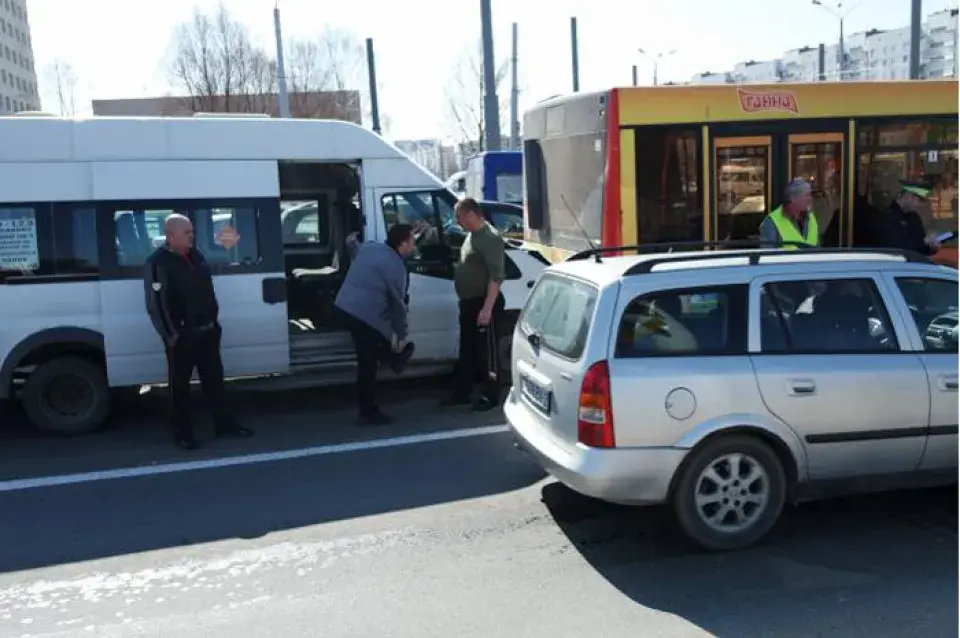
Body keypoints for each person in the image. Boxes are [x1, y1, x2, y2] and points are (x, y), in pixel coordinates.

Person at [144, 214, 253, 450]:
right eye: (187, 233)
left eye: (192, 231)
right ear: (171, 236)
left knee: (215, 382)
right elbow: (156, 306)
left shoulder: (196, 255)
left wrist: (215, 324)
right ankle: (182, 433)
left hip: (208, 332)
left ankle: (225, 425)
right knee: (180, 388)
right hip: (182, 337)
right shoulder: (158, 263)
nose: (192, 236)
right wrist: (172, 336)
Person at [335, 224, 417, 425]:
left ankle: (393, 358)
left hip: (343, 307)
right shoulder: (397, 268)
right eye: (412, 242)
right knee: (367, 364)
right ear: (403, 243)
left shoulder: (372, 247)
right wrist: (402, 333)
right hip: (364, 315)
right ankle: (368, 411)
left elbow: (356, 249)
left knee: (372, 347)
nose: (414, 246)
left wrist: (350, 241)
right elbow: (398, 305)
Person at [441, 197, 506, 413]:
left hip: (483, 302)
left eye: (459, 217)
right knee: (467, 350)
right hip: (468, 303)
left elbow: (496, 277)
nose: (457, 222)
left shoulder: (489, 238)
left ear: (470, 215)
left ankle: (492, 394)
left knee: (487, 353)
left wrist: (487, 309)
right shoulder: (472, 235)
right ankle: (463, 392)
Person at [876, 179, 942, 256]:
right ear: (909, 197)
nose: (920, 205)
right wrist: (924, 242)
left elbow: (921, 249)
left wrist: (932, 247)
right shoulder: (887, 217)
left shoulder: (914, 217)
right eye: (920, 200)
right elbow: (898, 248)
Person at [759, 178, 820, 250]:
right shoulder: (771, 222)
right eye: (807, 195)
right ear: (793, 198)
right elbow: (767, 256)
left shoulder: (811, 217)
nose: (810, 199)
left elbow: (818, 249)